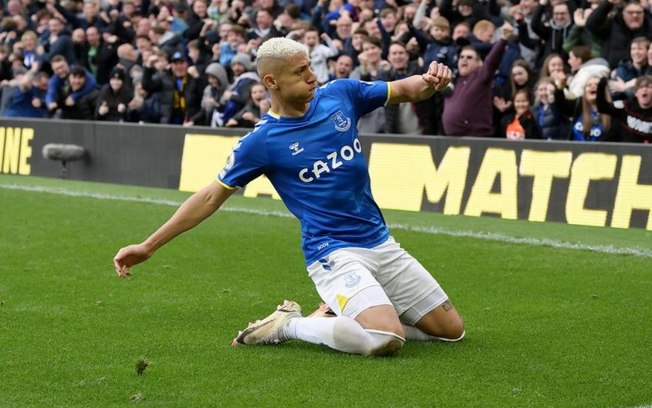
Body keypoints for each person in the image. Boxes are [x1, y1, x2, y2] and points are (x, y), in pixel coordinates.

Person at [113, 37, 464, 357]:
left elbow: (405, 89)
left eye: (310, 66)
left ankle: (345, 312)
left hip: (380, 242)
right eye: (301, 71)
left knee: (452, 332)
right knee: (385, 339)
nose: (312, 76)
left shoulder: (341, 94)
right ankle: (287, 324)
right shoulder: (261, 142)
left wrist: (431, 81)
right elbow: (209, 197)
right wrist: (149, 245)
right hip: (332, 253)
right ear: (272, 82)